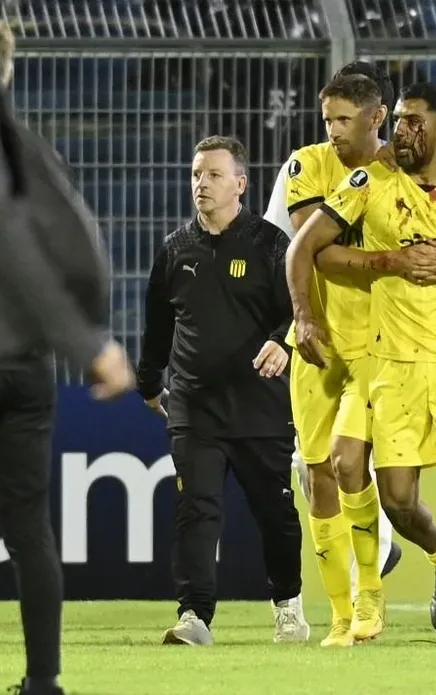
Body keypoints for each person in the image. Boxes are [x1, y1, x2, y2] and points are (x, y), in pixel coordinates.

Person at [0, 5, 132, 695]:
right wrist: (79, 334)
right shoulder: (33, 149)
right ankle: (44, 679)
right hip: (29, 363)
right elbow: (70, 244)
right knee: (27, 528)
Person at [288, 83, 436, 646]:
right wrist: (389, 261)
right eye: (401, 122)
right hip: (393, 362)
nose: (402, 133)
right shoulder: (370, 183)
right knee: (399, 500)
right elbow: (310, 250)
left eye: (414, 123)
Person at [136, 136, 307, 646]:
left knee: (274, 512)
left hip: (261, 407)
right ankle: (194, 616)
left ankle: (288, 606)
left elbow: (299, 310)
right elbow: (157, 329)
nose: (201, 184)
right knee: (196, 510)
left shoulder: (272, 245)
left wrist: (283, 343)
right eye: (195, 175)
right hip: (194, 405)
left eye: (213, 175)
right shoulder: (175, 249)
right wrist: (149, 383)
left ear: (240, 183)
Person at [262, 61, 404, 596]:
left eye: (344, 119)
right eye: (328, 120)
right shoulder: (305, 166)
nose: (334, 130)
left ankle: (403, 568)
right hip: (319, 340)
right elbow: (308, 248)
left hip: (385, 342)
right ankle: (349, 604)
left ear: (376, 118)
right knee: (317, 464)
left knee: (364, 465)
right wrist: (392, 262)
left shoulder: (404, 169)